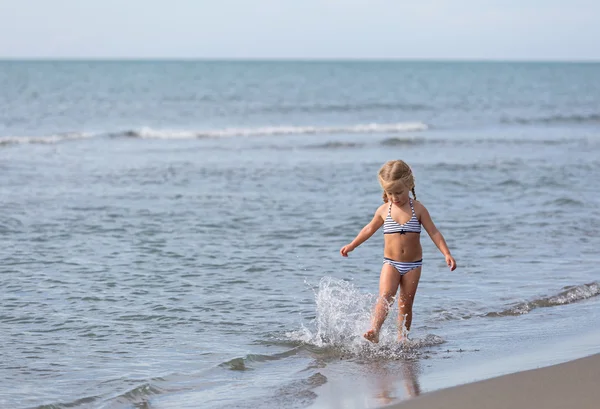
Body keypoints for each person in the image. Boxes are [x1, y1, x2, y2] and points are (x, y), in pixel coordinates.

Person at [340, 160, 456, 343]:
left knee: (405, 303)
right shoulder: (384, 210)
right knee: (385, 297)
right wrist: (352, 245)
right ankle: (375, 330)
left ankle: (403, 338)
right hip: (391, 263)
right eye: (390, 193)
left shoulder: (418, 209)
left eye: (399, 192)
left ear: (409, 185)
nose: (394, 197)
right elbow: (368, 229)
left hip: (413, 266)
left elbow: (433, 232)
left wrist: (446, 253)